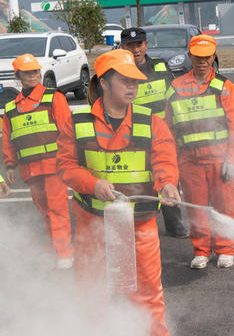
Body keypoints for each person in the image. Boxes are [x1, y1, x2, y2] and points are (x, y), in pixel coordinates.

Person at [56, 49, 180, 336]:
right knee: (91, 291)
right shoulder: (78, 124)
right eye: (125, 81)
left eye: (135, 81)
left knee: (147, 292)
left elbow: (163, 160)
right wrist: (92, 184)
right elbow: (65, 167)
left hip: (140, 224)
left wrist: (168, 182)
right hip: (92, 222)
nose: (133, 87)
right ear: (104, 83)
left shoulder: (151, 122)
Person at [165, 34, 234, 269]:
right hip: (189, 161)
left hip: (220, 160)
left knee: (223, 208)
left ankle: (225, 250)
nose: (202, 61)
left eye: (206, 56)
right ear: (190, 56)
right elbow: (168, 130)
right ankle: (201, 250)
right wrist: (171, 165)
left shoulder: (224, 87)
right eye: (197, 56)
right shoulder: (175, 88)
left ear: (214, 56)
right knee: (196, 208)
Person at [2, 53, 74, 269]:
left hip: (54, 166)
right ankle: (53, 247)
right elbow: (8, 139)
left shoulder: (54, 98)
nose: (33, 75)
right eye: (27, 72)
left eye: (35, 71)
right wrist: (9, 165)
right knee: (44, 209)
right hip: (29, 168)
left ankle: (64, 252)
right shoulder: (11, 107)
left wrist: (69, 159)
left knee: (57, 208)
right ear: (18, 76)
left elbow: (67, 131)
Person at [120, 26, 188, 238]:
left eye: (139, 44)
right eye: (130, 45)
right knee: (135, 182)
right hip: (133, 140)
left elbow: (172, 99)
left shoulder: (160, 67)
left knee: (168, 179)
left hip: (161, 138)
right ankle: (136, 227)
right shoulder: (119, 71)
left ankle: (174, 224)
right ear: (123, 47)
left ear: (146, 44)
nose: (135, 49)